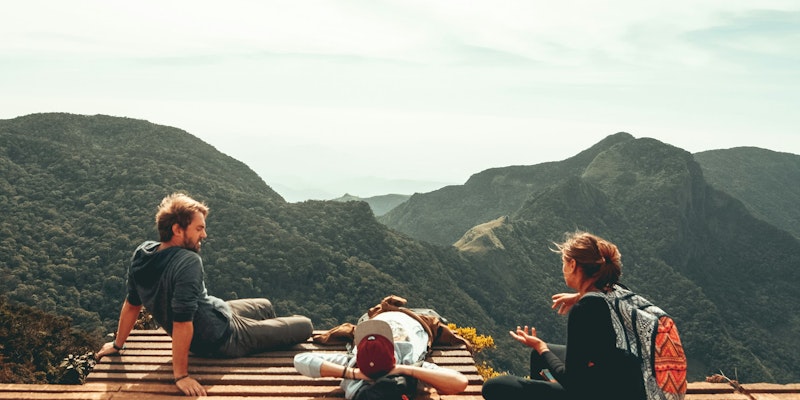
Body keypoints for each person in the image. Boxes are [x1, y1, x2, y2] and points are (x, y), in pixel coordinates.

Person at [96, 193, 314, 396]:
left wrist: (117, 344)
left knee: (265, 305)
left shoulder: (142, 254)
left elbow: (132, 304)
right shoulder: (188, 261)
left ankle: (266, 333)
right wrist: (181, 376)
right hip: (222, 337)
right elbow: (182, 321)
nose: (204, 235)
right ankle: (262, 337)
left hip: (217, 312)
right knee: (305, 325)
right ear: (177, 230)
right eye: (199, 228)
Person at [482, 231, 647, 400]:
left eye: (564, 263)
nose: (563, 269)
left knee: (494, 386)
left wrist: (541, 347)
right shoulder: (618, 291)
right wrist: (578, 296)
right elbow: (603, 295)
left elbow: (571, 381)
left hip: (597, 393)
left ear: (572, 264)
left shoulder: (584, 310)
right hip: (625, 385)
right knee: (538, 356)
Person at [294, 311, 469, 399]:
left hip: (377, 316)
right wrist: (404, 369)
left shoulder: (353, 364)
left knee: (367, 316)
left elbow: (300, 360)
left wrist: (352, 373)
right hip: (416, 319)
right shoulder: (408, 361)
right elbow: (460, 382)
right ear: (393, 355)